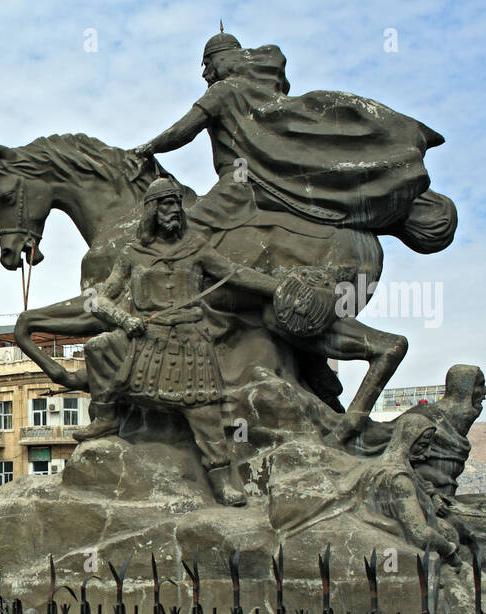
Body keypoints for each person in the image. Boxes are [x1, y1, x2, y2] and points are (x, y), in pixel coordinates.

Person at [75, 176, 306, 505]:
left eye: (177, 205)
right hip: (145, 339)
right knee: (96, 348)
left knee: (204, 414)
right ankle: (105, 418)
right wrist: (124, 319)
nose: (174, 211)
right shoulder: (133, 253)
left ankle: (222, 479)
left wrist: (278, 288)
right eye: (167, 205)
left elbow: (234, 273)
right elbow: (99, 299)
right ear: (152, 210)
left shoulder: (195, 247)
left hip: (189, 342)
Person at [132, 31, 455, 253]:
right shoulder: (261, 92)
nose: (204, 74)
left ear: (220, 61)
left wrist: (147, 148)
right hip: (259, 180)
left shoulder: (224, 90)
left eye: (206, 64)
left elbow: (183, 131)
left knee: (188, 232)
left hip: (240, 183)